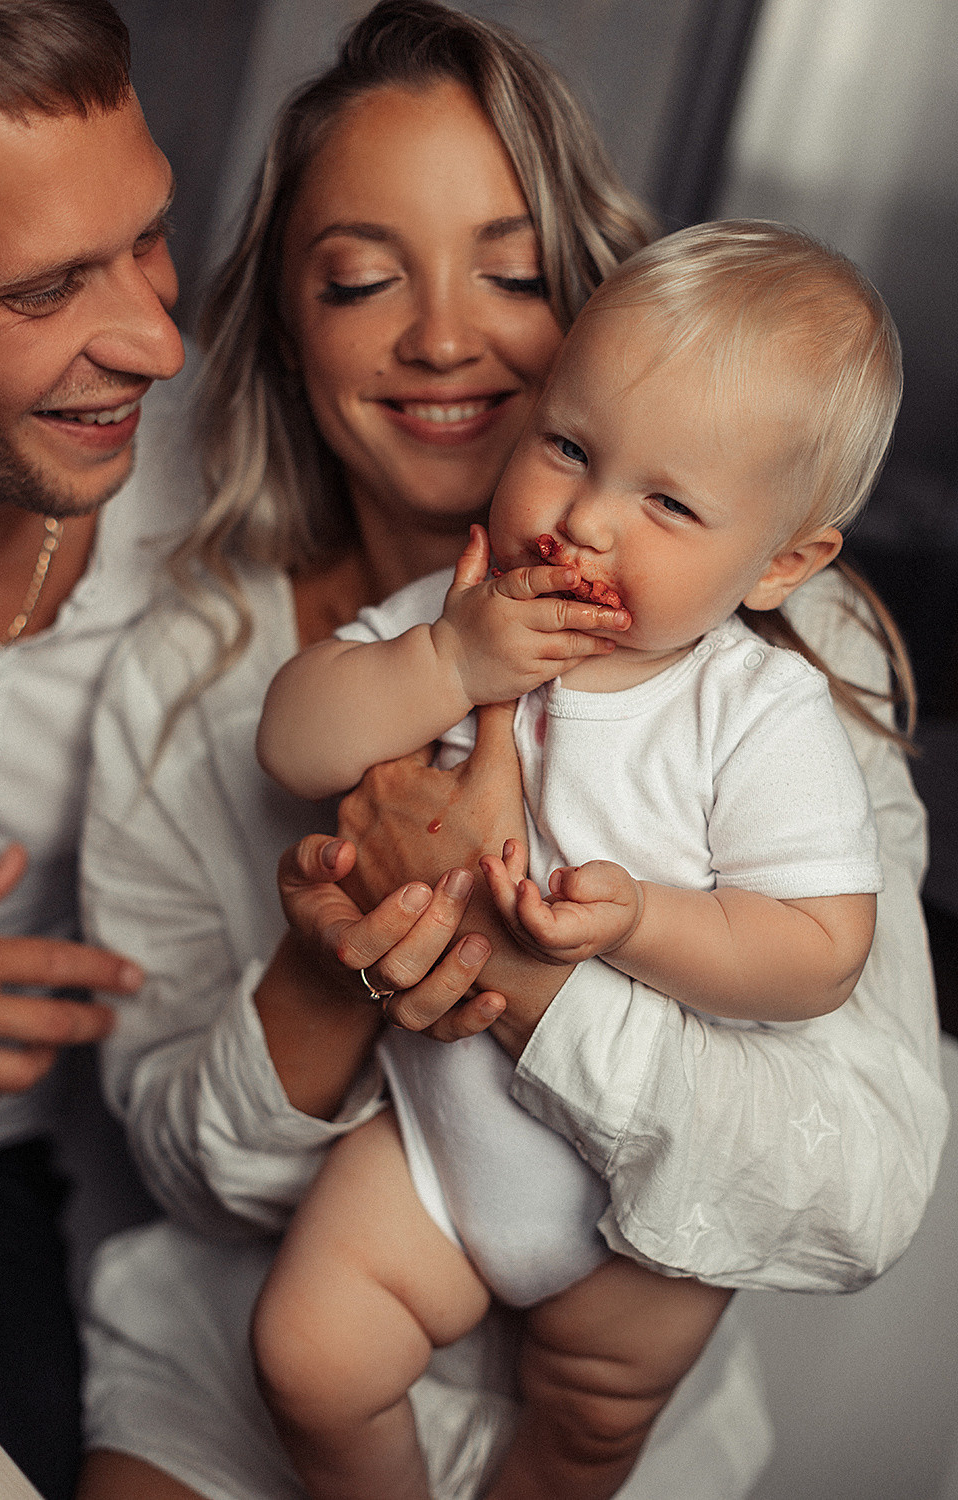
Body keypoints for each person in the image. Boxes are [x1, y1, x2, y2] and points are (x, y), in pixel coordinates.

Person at [77, 5, 947, 1500]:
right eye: (359, 278)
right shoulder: (269, 652)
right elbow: (191, 1173)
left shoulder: (794, 666)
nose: (440, 334)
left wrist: (520, 954)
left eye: (516, 268)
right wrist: (341, 937)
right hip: (332, 1259)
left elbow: (859, 1183)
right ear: (287, 318)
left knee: (593, 1431)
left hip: (620, 1308)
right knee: (294, 1361)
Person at [250, 221, 893, 1500]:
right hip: (436, 1160)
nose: (586, 521)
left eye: (666, 502)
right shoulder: (462, 611)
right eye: (567, 449)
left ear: (780, 562)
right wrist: (446, 664)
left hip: (633, 1236)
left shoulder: (753, 711)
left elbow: (822, 951)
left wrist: (645, 921)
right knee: (307, 1357)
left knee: (586, 1435)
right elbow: (287, 740)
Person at [0, 2, 187, 1494]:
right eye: (48, 288)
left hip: (15, 1206)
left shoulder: (252, 469)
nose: (158, 338)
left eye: (150, 241)